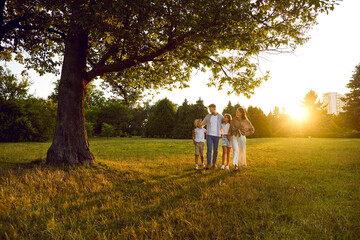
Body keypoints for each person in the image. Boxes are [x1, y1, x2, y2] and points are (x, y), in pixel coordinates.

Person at [202, 104, 223, 169]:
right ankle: (208, 164)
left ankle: (214, 164)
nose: (210, 110)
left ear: (214, 108)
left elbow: (224, 124)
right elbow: (202, 124)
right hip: (209, 135)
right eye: (209, 109)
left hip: (217, 135)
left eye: (211, 109)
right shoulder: (208, 116)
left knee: (215, 150)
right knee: (209, 149)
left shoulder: (220, 116)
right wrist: (202, 130)